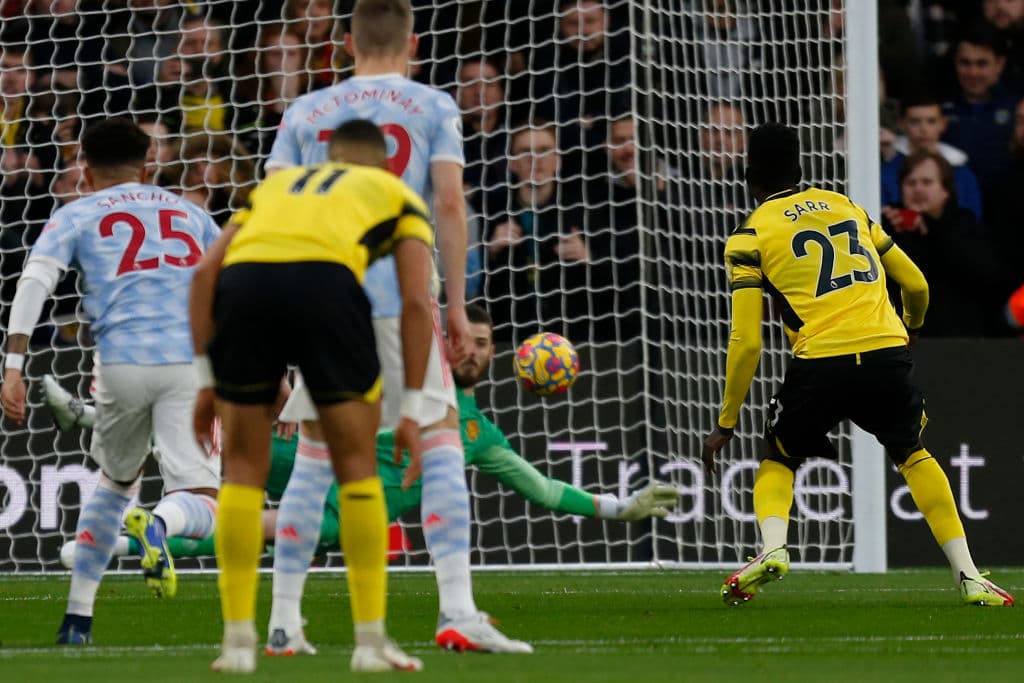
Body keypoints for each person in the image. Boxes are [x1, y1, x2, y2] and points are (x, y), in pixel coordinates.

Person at [50, 305, 681, 644]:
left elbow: (540, 488)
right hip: (311, 465)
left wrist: (619, 507)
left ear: (502, 358)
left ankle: (124, 539)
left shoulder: (480, 436)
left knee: (238, 524)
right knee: (222, 447)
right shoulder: (402, 374)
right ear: (445, 339)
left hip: (335, 514)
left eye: (486, 344)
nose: (474, 350)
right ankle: (99, 424)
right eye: (466, 338)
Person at [265, 0, 510, 654]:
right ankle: (456, 609)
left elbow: (273, 212)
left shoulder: (304, 111)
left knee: (314, 458)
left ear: (346, 42)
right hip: (399, 292)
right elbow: (450, 202)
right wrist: (457, 304)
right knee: (441, 440)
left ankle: (283, 623)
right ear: (414, 43)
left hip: (320, 296)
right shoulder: (432, 105)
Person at [700, 123, 1014, 608]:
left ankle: (774, 548)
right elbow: (916, 284)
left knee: (779, 456)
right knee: (912, 453)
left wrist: (726, 422)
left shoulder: (749, 236)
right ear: (800, 169)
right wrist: (910, 327)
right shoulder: (846, 206)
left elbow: (746, 342)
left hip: (821, 360)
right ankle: (969, 575)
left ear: (749, 177)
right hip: (886, 352)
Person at [189, 120, 430, 673]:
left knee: (241, 474)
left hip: (245, 289)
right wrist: (414, 410)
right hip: (328, 287)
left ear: (328, 157)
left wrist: (206, 380)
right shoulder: (395, 192)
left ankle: (237, 644)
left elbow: (203, 274)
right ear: (383, 163)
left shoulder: (275, 187)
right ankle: (370, 644)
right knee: (357, 469)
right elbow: (417, 303)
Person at [0, 119, 223, 645]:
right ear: (147, 167)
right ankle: (160, 523)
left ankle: (77, 620)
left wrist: (13, 367)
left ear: (85, 168)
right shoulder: (191, 214)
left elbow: (34, 281)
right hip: (189, 363)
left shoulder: (75, 213)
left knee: (115, 483)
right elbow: (234, 286)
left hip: (117, 366)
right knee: (204, 500)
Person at [882, 150, 1015, 337]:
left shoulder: (965, 224)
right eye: (911, 183)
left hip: (960, 336)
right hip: (904, 337)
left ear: (945, 190)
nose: (918, 189)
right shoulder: (888, 226)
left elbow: (985, 274)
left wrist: (931, 227)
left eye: (927, 182)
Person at [880, 93, 983, 220]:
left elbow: (973, 219)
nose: (923, 129)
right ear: (901, 124)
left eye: (931, 121)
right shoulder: (886, 172)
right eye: (915, 122)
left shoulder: (962, 172)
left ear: (943, 124)